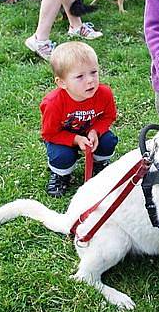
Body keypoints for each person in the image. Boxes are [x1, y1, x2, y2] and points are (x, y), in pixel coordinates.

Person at [40, 42, 118, 197]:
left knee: (109, 140)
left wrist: (96, 131)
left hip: (90, 134)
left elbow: (109, 116)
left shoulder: (104, 93)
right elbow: (50, 134)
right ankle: (61, 175)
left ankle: (100, 163)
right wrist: (76, 139)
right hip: (62, 137)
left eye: (93, 72)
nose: (90, 80)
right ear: (62, 82)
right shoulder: (53, 103)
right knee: (61, 156)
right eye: (80, 76)